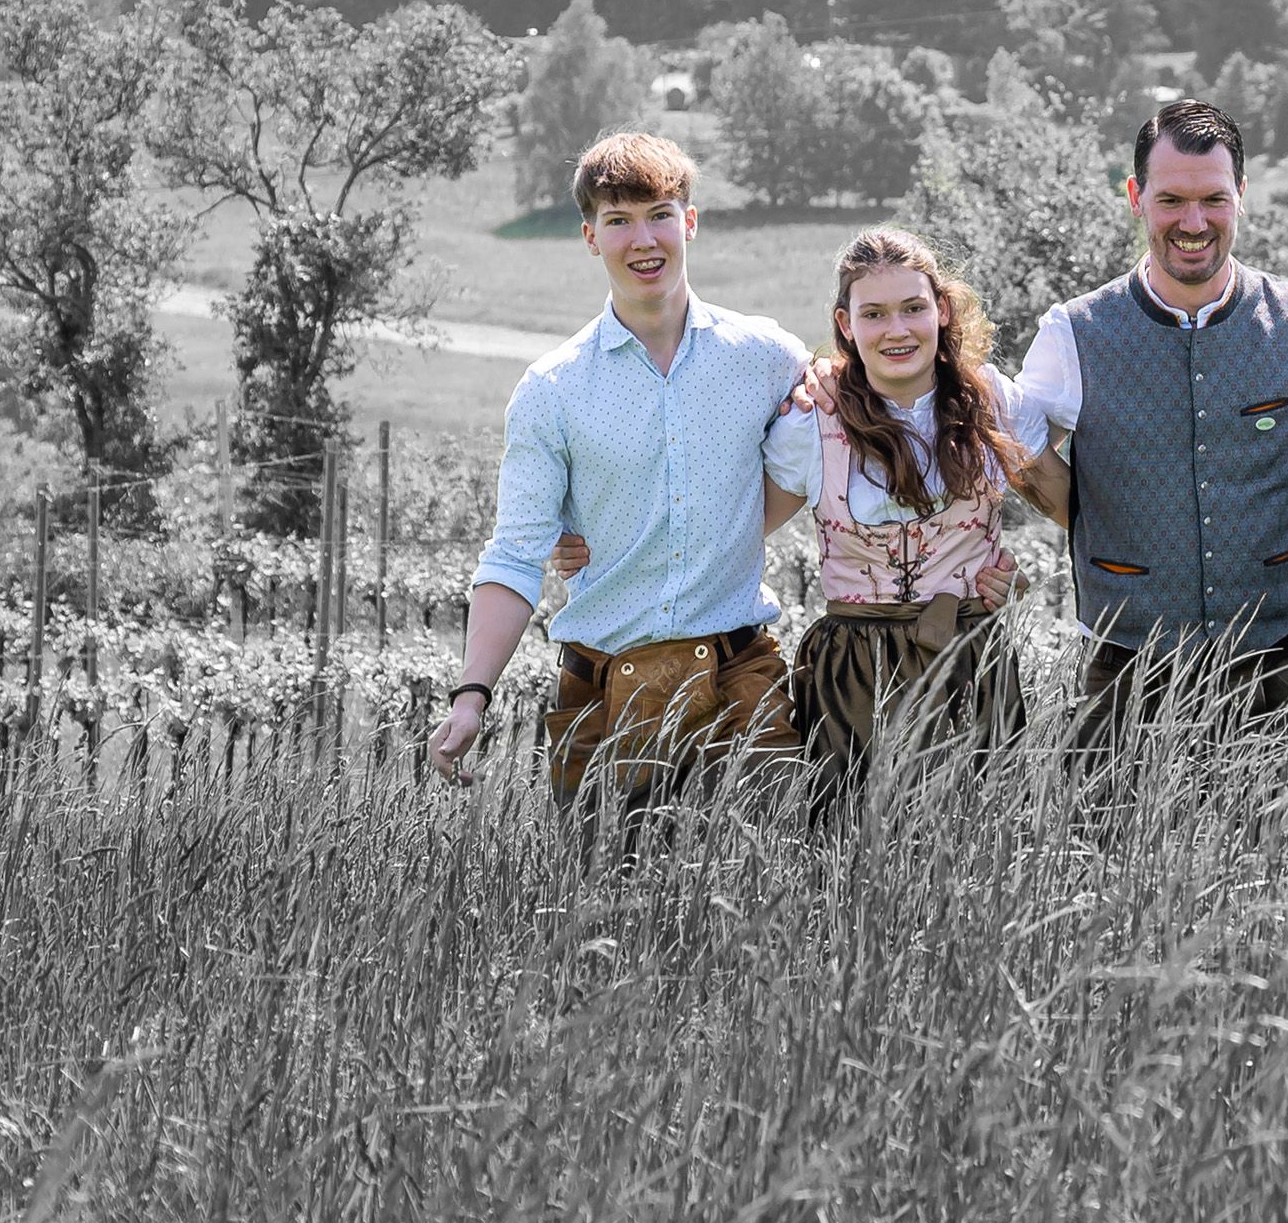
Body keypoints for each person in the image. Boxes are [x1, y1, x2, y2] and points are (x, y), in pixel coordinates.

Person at [1009, 96, 1288, 783]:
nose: (1193, 223)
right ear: (1135, 197)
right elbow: (1012, 441)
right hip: (1126, 671)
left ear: (1242, 197)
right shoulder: (1073, 334)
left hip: (1277, 663)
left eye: (1213, 200)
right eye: (1171, 200)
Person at [434, 131, 814, 823]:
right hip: (604, 690)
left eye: (660, 214)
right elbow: (516, 554)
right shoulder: (553, 389)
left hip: (743, 683)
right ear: (589, 237)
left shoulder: (767, 357)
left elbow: (850, 441)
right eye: (618, 221)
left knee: (767, 909)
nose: (644, 239)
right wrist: (472, 694)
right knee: (607, 917)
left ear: (689, 222)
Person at [759, 226, 1038, 820]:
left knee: (975, 847)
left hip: (971, 661)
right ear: (845, 324)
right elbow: (731, 531)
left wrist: (1020, 582)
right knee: (849, 853)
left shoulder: (994, 402)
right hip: (854, 673)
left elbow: (1070, 501)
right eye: (874, 313)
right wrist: (591, 544)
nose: (897, 330)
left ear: (940, 309)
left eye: (913, 308)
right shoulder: (812, 422)